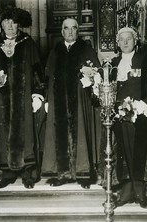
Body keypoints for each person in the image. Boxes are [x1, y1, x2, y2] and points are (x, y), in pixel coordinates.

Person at [0, 7, 45, 189]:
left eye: (13, 22)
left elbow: (38, 72)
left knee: (26, 132)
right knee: (3, 133)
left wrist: (38, 94)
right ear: (1, 24)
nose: (10, 25)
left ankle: (28, 173)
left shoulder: (28, 43)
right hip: (1, 98)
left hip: (24, 96)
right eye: (6, 22)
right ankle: (8, 173)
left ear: (19, 24)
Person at [41, 18, 101, 188]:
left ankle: (83, 174)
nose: (69, 32)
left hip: (79, 101)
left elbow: (96, 73)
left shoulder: (86, 49)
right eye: (66, 29)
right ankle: (63, 174)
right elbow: (47, 77)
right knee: (59, 133)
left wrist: (90, 78)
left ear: (77, 31)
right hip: (58, 101)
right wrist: (46, 99)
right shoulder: (55, 52)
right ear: (62, 32)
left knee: (80, 133)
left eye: (73, 28)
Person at [109, 27, 147, 209]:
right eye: (122, 40)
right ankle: (126, 192)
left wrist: (144, 105)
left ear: (135, 41)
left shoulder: (146, 62)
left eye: (129, 39)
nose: (125, 43)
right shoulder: (112, 64)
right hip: (118, 117)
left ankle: (140, 192)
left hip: (139, 116)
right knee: (123, 154)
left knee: (138, 153)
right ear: (117, 43)